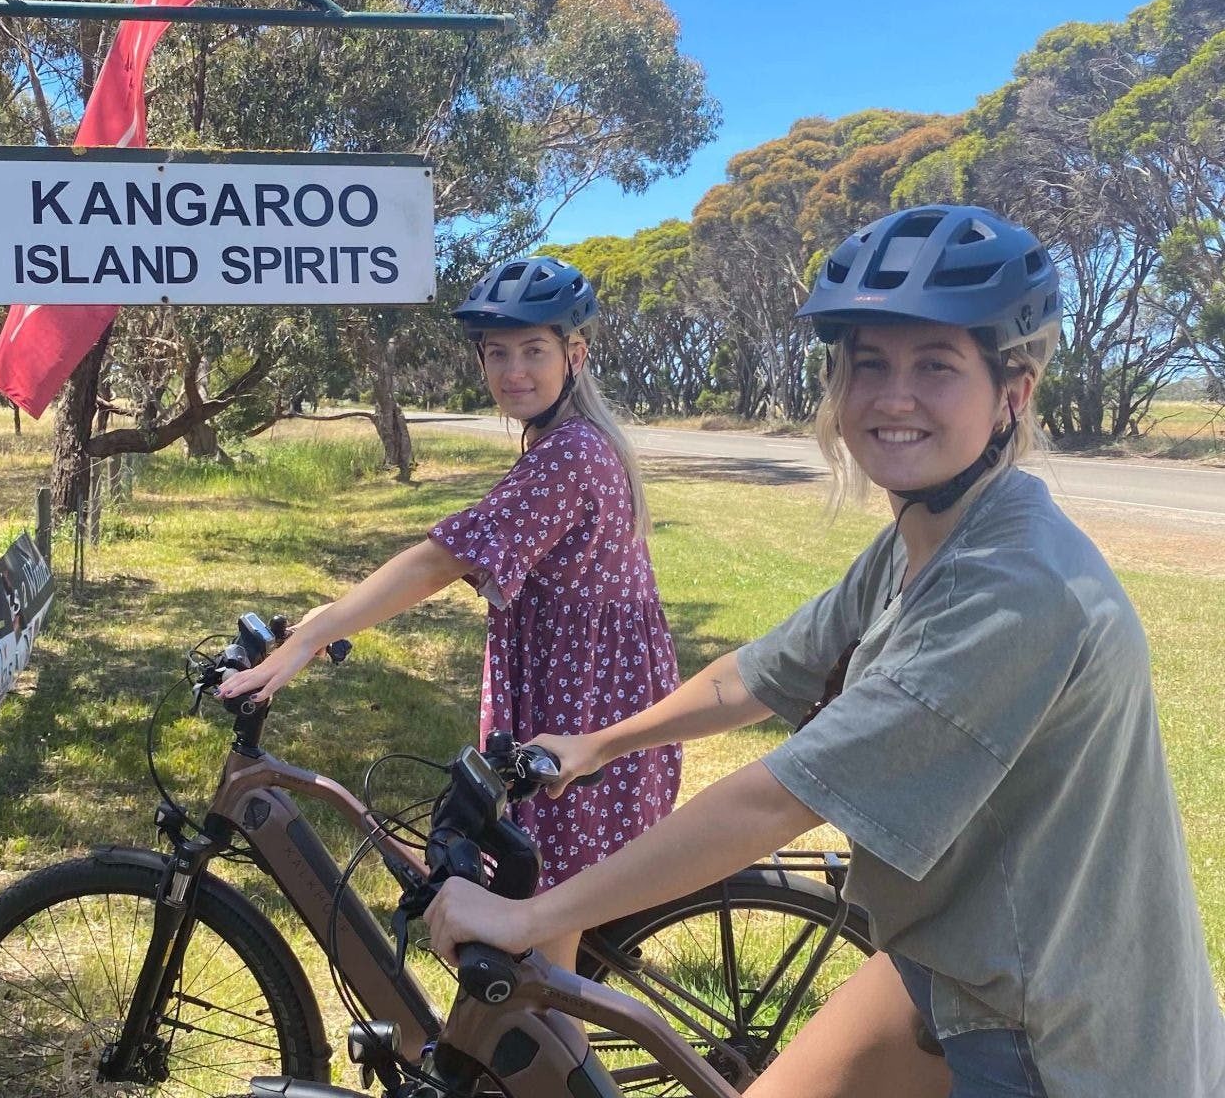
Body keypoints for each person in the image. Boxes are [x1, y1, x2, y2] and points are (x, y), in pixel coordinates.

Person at [424, 206, 1225, 1097]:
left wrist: (533, 915)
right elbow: (761, 671)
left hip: (1058, 1029)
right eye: (868, 363)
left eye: (936, 366)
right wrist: (601, 744)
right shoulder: (929, 535)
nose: (892, 396)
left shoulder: (1014, 586)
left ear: (1014, 391)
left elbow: (777, 801)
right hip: (958, 954)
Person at [220, 255, 683, 970]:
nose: (513, 371)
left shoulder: (572, 455)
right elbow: (480, 553)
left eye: (533, 350)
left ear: (575, 355)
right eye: (497, 353)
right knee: (540, 907)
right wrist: (330, 612)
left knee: (540, 933)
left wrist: (316, 635)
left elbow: (444, 560)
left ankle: (539, 1073)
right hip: (586, 694)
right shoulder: (565, 443)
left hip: (583, 712)